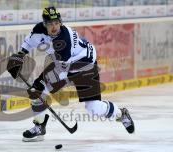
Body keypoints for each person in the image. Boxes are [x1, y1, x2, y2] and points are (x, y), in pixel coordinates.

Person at [7, 6, 135, 142]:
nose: (54, 26)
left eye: (56, 23)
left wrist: (41, 83)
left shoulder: (64, 39)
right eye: (50, 23)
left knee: (94, 108)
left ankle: (121, 114)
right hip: (63, 64)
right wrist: (20, 56)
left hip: (85, 65)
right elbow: (29, 42)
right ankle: (39, 127)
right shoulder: (39, 29)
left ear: (60, 22)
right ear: (45, 24)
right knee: (37, 90)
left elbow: (62, 70)